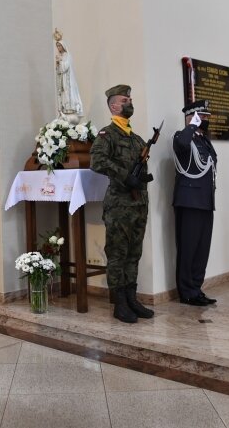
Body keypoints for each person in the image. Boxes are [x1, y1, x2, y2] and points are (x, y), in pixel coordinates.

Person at [90, 85, 154, 323]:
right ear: (114, 106)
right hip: (119, 205)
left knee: (134, 253)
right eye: (125, 100)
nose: (129, 102)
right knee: (117, 254)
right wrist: (124, 175)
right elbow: (97, 162)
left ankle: (131, 298)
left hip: (138, 204)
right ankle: (119, 303)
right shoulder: (107, 135)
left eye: (130, 99)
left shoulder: (136, 139)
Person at [172, 100, 218, 306]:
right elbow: (182, 144)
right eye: (203, 116)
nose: (206, 120)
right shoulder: (182, 137)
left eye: (207, 117)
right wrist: (191, 125)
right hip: (189, 202)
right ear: (192, 117)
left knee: (202, 249)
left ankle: (196, 288)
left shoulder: (204, 141)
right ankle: (187, 292)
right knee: (188, 249)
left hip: (206, 201)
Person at [54, 31, 84, 122]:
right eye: (57, 46)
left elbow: (66, 66)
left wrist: (60, 62)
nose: (58, 48)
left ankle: (70, 109)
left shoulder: (67, 55)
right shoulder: (60, 56)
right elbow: (59, 70)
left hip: (68, 80)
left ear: (63, 46)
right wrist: (58, 64)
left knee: (68, 93)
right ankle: (65, 109)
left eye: (59, 46)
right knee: (63, 93)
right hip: (62, 79)